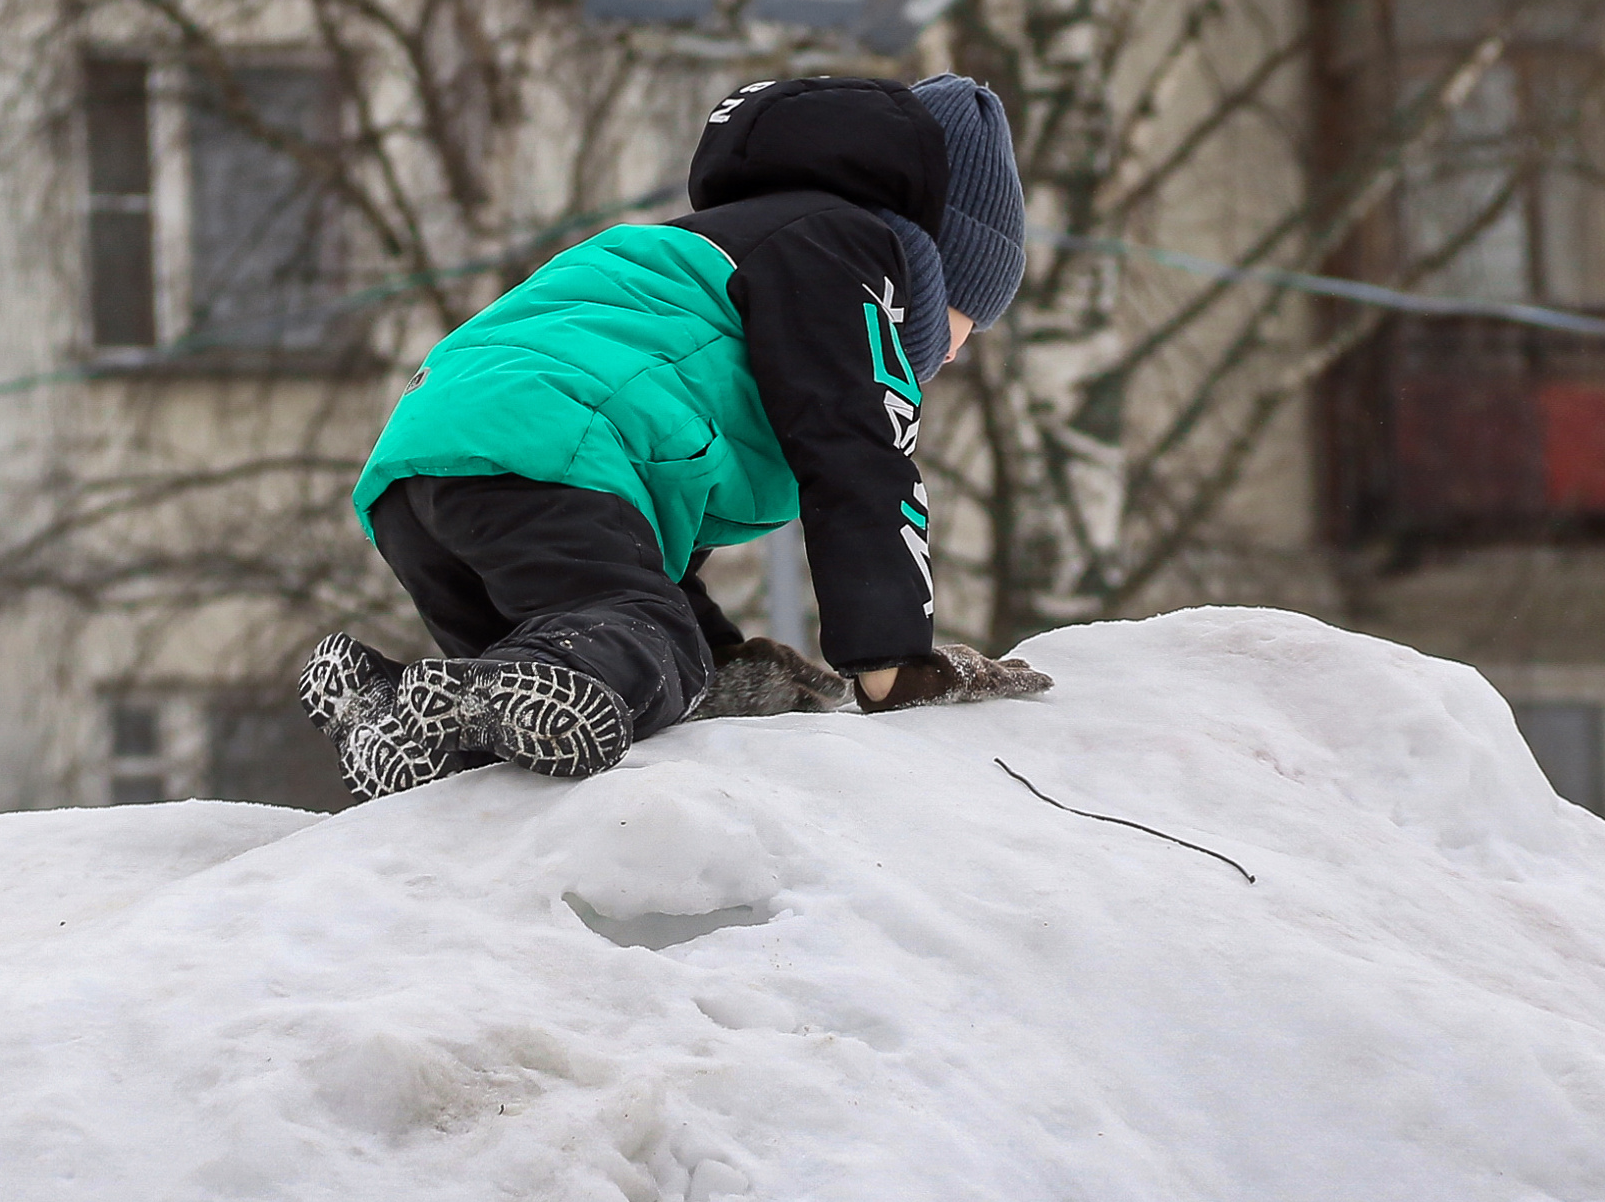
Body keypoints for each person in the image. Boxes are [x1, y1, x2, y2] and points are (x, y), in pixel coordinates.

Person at [297, 73, 1051, 802]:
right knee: (629, 646)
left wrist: (721, 660)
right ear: (930, 268)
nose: (956, 352)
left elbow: (645, 520)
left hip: (430, 461)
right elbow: (858, 457)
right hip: (550, 447)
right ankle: (442, 704)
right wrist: (895, 661)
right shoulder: (849, 255)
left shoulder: (710, 256)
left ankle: (389, 705)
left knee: (555, 695)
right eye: (968, 317)